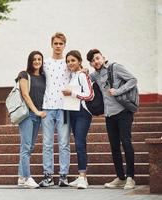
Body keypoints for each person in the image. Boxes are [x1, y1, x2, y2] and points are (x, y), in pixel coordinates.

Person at [86, 49, 137, 189]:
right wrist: (81, 71)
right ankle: (120, 177)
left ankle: (130, 178)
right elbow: (84, 80)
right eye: (92, 61)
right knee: (114, 147)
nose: (96, 61)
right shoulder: (95, 75)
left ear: (103, 57)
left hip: (123, 112)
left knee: (126, 143)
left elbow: (133, 80)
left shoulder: (116, 67)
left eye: (97, 58)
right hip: (109, 115)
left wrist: (118, 91)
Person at [39, 32, 71, 187]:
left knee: (64, 143)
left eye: (61, 43)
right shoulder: (45, 63)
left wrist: (84, 70)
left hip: (64, 108)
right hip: (47, 108)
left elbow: (79, 75)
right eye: (56, 43)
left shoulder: (68, 63)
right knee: (47, 143)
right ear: (51, 44)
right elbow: (34, 75)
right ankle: (48, 176)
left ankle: (63, 176)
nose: (58, 46)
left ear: (64, 45)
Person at [61, 50, 94, 189]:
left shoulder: (81, 75)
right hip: (73, 113)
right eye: (68, 61)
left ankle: (82, 177)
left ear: (79, 61)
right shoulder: (73, 75)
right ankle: (82, 177)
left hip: (83, 113)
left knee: (80, 143)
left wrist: (72, 93)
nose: (70, 63)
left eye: (73, 60)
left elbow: (90, 95)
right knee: (79, 144)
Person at [17, 51, 47, 188]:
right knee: (26, 147)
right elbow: (25, 94)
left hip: (38, 116)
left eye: (39, 59)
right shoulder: (24, 74)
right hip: (27, 115)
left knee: (30, 147)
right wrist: (35, 111)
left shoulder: (43, 77)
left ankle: (21, 177)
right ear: (30, 61)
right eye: (34, 59)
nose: (36, 61)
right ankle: (28, 178)